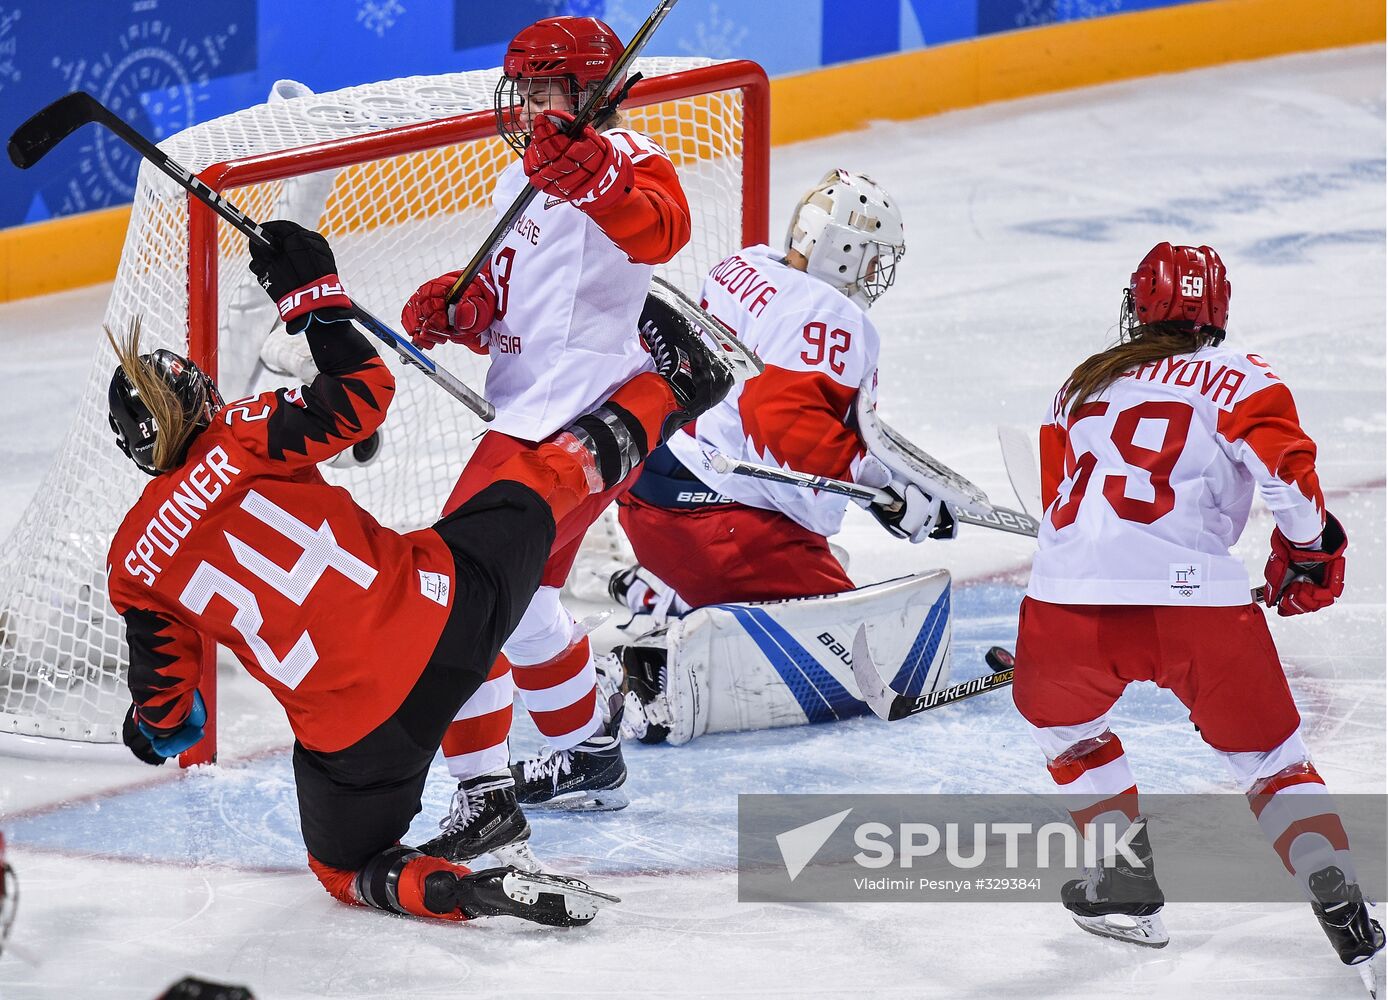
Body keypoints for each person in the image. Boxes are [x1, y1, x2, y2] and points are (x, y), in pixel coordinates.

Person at [105, 221, 728, 926]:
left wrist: (146, 727)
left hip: (359, 745)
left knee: (343, 868)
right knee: (539, 479)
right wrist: (313, 301)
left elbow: (171, 721)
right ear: (199, 397)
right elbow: (364, 392)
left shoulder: (134, 563)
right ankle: (674, 389)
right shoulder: (245, 430)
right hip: (445, 616)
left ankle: (459, 888)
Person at [1012, 242, 1383, 986]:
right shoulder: (1244, 376)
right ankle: (1352, 924)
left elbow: (1060, 506)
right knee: (1272, 765)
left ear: (1140, 306)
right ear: (1215, 312)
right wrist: (1308, 551)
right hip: (1195, 600)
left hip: (1065, 601)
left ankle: (1124, 885)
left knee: (1066, 726)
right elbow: (1287, 478)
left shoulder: (1081, 385)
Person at [399, 14, 691, 850]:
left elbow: (663, 230)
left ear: (593, 91)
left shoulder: (629, 162)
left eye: (543, 87)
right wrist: (466, 310)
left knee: (458, 597)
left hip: (569, 429)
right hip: (530, 412)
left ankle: (483, 794)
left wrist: (595, 180)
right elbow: (512, 299)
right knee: (526, 601)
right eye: (520, 88)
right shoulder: (519, 174)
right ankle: (587, 756)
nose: (526, 104)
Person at [604, 169, 956, 745]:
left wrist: (891, 477)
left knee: (822, 557)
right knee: (854, 652)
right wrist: (881, 492)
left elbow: (772, 409)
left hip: (651, 495)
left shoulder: (745, 267)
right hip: (719, 529)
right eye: (870, 257)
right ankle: (658, 676)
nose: (875, 273)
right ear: (842, 250)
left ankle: (660, 591)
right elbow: (785, 427)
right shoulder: (832, 316)